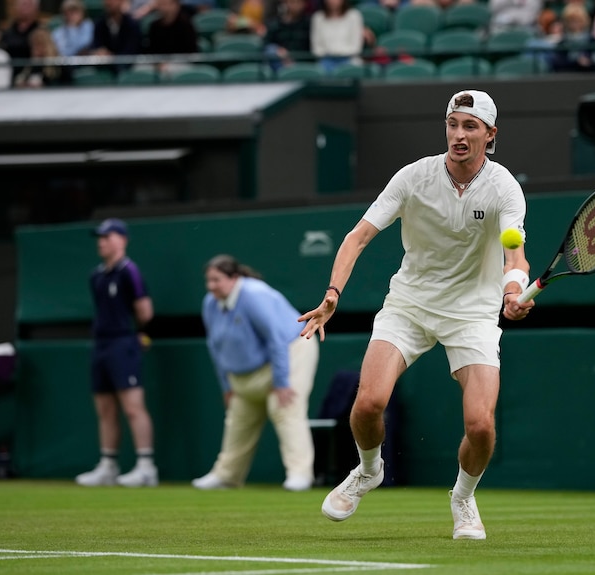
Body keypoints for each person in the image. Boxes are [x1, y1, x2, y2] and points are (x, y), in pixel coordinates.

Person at [298, 90, 535, 540]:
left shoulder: (504, 187)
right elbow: (357, 237)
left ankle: (463, 498)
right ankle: (369, 470)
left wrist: (512, 291)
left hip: (472, 313)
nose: (459, 134)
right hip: (410, 303)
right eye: (452, 124)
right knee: (367, 403)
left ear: (490, 134)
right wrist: (333, 293)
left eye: (470, 126)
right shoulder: (413, 177)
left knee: (481, 425)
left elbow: (515, 256)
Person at [193, 255, 319, 492]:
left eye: (216, 280)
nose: (211, 286)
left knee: (283, 408)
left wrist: (282, 382)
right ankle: (226, 476)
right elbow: (215, 346)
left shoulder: (253, 295)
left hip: (292, 351)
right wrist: (227, 387)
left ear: (234, 278)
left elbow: (276, 339)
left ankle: (300, 475)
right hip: (247, 373)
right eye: (208, 281)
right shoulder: (210, 303)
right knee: (238, 415)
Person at [76, 218, 159, 488]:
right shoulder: (95, 276)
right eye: (99, 237)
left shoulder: (129, 271)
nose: (101, 242)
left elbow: (145, 312)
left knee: (133, 408)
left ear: (122, 240)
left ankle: (146, 467)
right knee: (105, 409)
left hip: (124, 343)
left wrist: (138, 334)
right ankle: (108, 466)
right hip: (101, 344)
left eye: (107, 236)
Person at [310, 0, 364, 73]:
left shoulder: (354, 16)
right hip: (325, 60)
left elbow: (356, 47)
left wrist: (338, 53)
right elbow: (316, 48)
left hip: (350, 60)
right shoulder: (317, 17)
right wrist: (331, 54)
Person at [262, 0, 311, 72]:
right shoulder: (275, 24)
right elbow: (266, 43)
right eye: (292, 2)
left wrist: (292, 60)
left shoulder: (309, 23)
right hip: (281, 62)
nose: (295, 6)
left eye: (299, 2)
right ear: (286, 3)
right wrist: (278, 50)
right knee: (271, 50)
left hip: (301, 61)